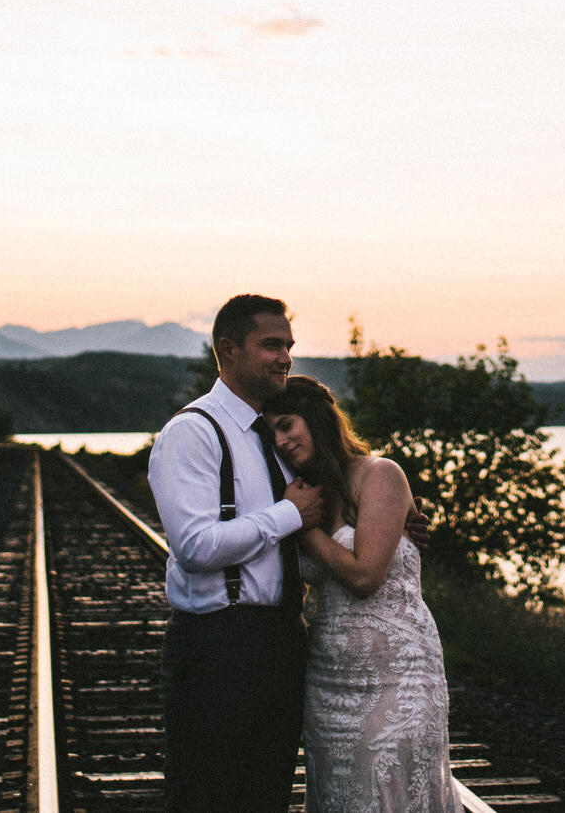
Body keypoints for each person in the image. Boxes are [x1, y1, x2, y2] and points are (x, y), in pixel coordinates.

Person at [149, 295, 326, 813]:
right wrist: (286, 515)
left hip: (282, 642)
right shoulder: (192, 433)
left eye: (289, 346)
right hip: (217, 648)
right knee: (207, 797)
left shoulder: (274, 434)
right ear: (228, 350)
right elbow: (196, 546)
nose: (286, 358)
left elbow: (320, 514)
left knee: (267, 795)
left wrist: (399, 523)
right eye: (272, 345)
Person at [263, 374, 464, 813]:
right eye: (271, 433)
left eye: (286, 425)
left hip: (400, 678)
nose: (280, 441)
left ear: (316, 419)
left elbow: (365, 576)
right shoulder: (306, 495)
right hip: (328, 682)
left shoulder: (379, 474)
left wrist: (303, 526)